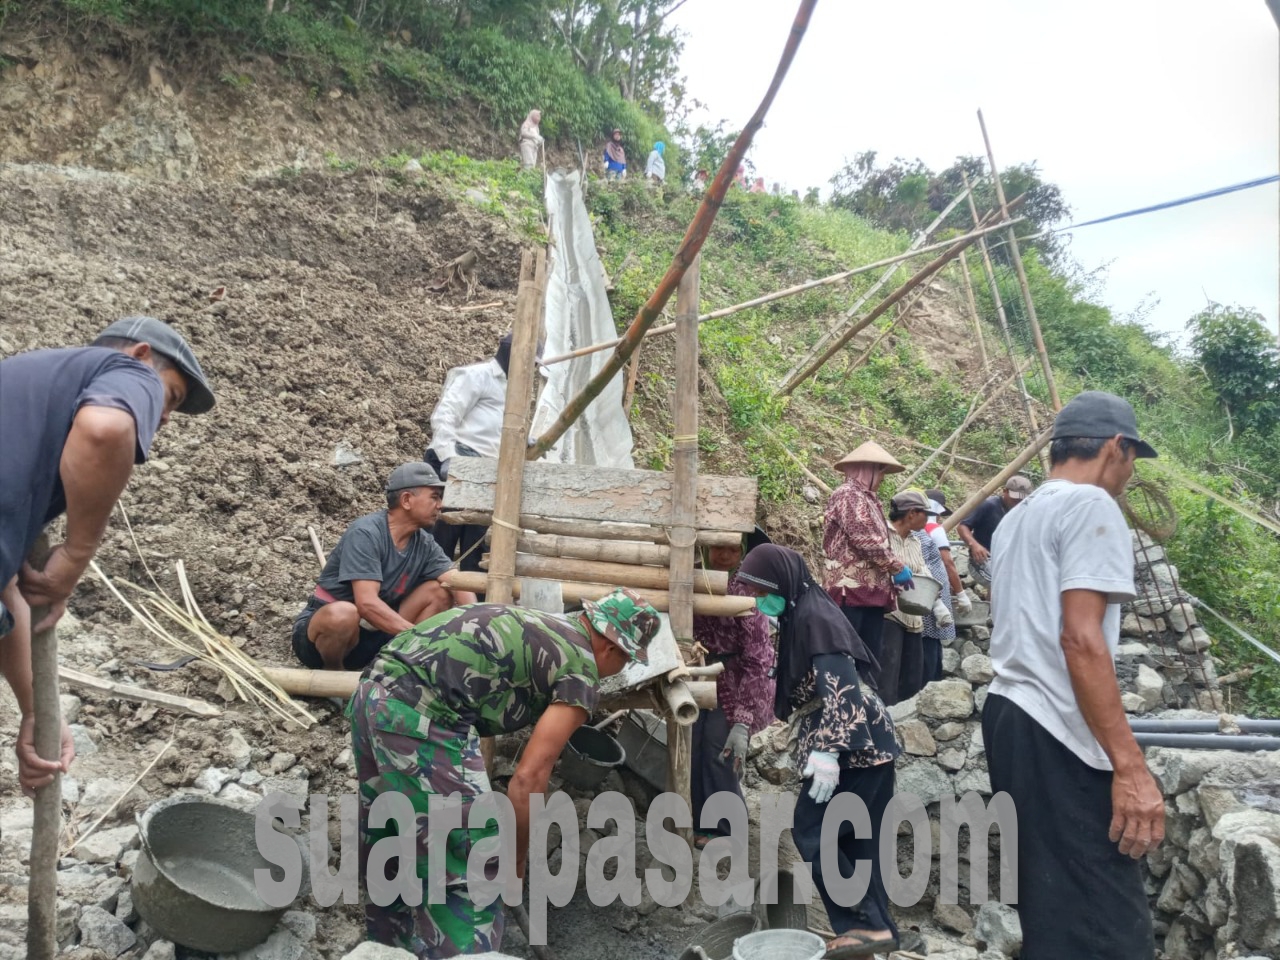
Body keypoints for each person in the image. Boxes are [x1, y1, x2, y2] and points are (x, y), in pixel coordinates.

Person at [352, 588, 660, 956]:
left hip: (372, 694)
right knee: (475, 863)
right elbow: (528, 779)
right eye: (626, 661)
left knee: (393, 841)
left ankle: (387, 950)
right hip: (423, 718)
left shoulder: (544, 626)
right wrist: (514, 862)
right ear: (612, 647)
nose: (618, 671)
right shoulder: (581, 670)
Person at [0, 316, 214, 798]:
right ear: (140, 355)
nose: (161, 417)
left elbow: (9, 590)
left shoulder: (28, 403)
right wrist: (77, 554)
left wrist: (37, 713)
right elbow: (104, 429)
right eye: (172, 398)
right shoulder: (126, 371)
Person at [983, 390, 1163, 960]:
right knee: (1110, 926)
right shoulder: (1091, 507)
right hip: (1057, 728)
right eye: (1133, 458)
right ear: (1116, 447)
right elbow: (1081, 639)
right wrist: (1129, 766)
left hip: (1009, 713)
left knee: (1052, 905)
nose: (1130, 474)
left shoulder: (1019, 518)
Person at [736, 545, 900, 958]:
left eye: (761, 592)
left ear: (779, 583)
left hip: (853, 747)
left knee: (814, 831)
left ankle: (868, 926)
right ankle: (877, 930)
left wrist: (827, 753)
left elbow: (841, 686)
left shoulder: (815, 619)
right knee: (857, 842)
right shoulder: (802, 613)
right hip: (866, 746)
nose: (759, 602)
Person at [291, 463, 475, 671]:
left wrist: (477, 624)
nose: (440, 505)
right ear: (406, 500)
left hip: (377, 632)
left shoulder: (423, 542)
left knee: (438, 591)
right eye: (434, 497)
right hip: (325, 640)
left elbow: (456, 581)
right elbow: (367, 604)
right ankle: (333, 672)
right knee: (343, 613)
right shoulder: (366, 533)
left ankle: (398, 668)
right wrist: (418, 636)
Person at [690, 530, 776, 849]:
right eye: (718, 548)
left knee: (719, 749)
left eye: (731, 549)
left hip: (738, 679)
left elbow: (759, 657)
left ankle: (726, 829)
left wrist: (743, 717)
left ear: (741, 551)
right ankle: (701, 821)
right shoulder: (697, 581)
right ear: (708, 550)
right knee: (694, 745)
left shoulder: (749, 590)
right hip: (700, 671)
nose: (724, 555)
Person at [424, 334, 526, 576]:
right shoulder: (478, 376)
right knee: (441, 540)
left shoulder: (516, 390)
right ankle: (428, 601)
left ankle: (473, 607)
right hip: (459, 462)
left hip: (487, 472)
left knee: (478, 545)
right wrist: (449, 456)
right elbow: (446, 416)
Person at [823, 441, 908, 690]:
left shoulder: (868, 499)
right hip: (851, 590)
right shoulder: (848, 495)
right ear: (867, 469)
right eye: (880, 471)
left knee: (869, 657)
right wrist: (895, 566)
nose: (882, 477)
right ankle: (847, 706)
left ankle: (865, 706)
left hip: (869, 592)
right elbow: (863, 538)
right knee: (851, 655)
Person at [882, 491, 930, 705]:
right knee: (886, 677)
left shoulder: (915, 541)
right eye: (925, 514)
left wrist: (936, 600)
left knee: (912, 679)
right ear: (912, 513)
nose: (927, 520)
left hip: (913, 616)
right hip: (889, 614)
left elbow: (922, 571)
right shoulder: (882, 533)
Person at [915, 494, 956, 684]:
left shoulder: (920, 532)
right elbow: (947, 562)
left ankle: (932, 679)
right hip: (930, 591)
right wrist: (961, 592)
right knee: (930, 637)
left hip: (930, 590)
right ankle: (930, 681)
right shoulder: (932, 531)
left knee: (931, 638)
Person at [956, 475, 1032, 566]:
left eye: (1021, 499)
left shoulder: (1024, 510)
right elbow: (962, 527)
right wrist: (974, 545)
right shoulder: (989, 504)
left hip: (1008, 561)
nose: (1018, 502)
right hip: (985, 560)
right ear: (1005, 491)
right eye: (1015, 499)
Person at [924, 489, 973, 621]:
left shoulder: (910, 527)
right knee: (934, 627)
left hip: (918, 586)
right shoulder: (936, 530)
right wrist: (961, 594)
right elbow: (948, 562)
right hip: (935, 587)